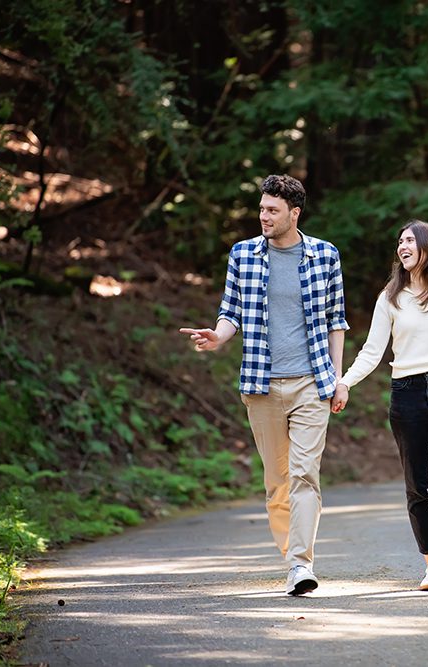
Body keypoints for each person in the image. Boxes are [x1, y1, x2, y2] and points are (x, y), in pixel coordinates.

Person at [178, 174, 348, 596]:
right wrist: (218, 336)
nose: (264, 216)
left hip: (312, 382)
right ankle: (292, 558)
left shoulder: (325, 256)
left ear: (295, 213)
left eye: (272, 210)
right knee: (278, 484)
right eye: (261, 209)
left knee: (305, 475)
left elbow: (336, 321)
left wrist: (337, 378)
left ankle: (300, 565)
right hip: (262, 384)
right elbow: (230, 311)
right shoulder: (244, 254)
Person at [331, 220, 428, 592]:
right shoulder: (390, 297)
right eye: (399, 241)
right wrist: (345, 382)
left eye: (409, 241)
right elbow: (373, 350)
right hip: (407, 393)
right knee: (417, 483)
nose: (402, 246)